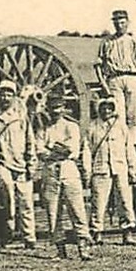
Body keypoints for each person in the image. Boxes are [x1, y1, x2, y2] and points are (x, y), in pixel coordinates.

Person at [36, 92, 90, 258]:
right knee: (53, 212)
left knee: (77, 209)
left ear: (63, 109)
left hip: (68, 170)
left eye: (58, 108)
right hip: (51, 171)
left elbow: (71, 150)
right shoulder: (44, 129)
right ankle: (60, 250)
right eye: (52, 108)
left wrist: (52, 149)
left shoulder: (71, 126)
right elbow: (39, 150)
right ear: (48, 109)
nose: (55, 111)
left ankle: (83, 247)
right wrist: (55, 150)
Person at [83, 96, 136, 245]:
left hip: (120, 168)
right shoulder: (92, 127)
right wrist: (87, 172)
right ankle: (97, 233)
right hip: (101, 169)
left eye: (109, 107)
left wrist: (133, 170)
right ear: (99, 110)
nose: (106, 110)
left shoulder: (120, 126)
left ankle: (127, 233)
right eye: (103, 108)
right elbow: (87, 151)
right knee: (99, 203)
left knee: (125, 201)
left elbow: (129, 149)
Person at [0, 80, 38, 249]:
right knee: (8, 197)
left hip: (21, 164)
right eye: (2, 94)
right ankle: (9, 232)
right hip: (2, 163)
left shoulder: (21, 117)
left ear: (14, 96)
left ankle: (29, 237)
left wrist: (31, 163)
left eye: (9, 94)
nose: (5, 97)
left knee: (26, 201)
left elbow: (29, 141)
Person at [96, 9, 136, 132]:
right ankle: (121, 146)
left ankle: (132, 146)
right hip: (114, 80)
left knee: (133, 117)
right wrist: (104, 85)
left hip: (132, 79)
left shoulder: (132, 41)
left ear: (128, 23)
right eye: (117, 23)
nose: (120, 26)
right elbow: (98, 65)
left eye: (122, 23)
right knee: (118, 116)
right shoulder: (107, 42)